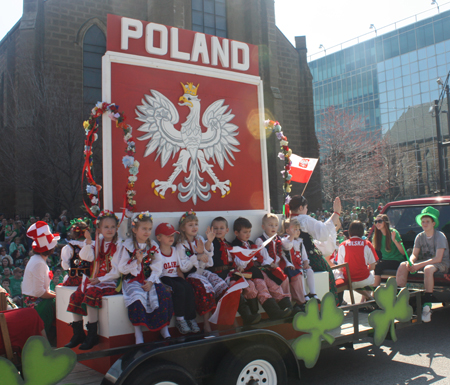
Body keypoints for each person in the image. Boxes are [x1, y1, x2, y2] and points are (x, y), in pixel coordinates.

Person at [65, 210, 123, 350]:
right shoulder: (98, 242)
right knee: (75, 296)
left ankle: (92, 335)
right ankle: (78, 333)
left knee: (91, 294)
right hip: (95, 279)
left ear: (116, 228)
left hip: (109, 281)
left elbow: (117, 271)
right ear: (99, 229)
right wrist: (89, 241)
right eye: (106, 227)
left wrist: (100, 279)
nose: (110, 230)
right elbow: (87, 257)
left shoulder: (119, 245)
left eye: (112, 227)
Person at [118, 212, 173, 343]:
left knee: (163, 294)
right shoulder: (128, 246)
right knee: (136, 297)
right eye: (144, 229)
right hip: (133, 278)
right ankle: (138, 334)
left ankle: (164, 328)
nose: (147, 232)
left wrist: (151, 281)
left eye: (149, 229)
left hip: (150, 278)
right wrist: (136, 262)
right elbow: (122, 267)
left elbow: (158, 265)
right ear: (135, 230)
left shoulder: (152, 245)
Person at [175, 211, 227, 333]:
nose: (194, 227)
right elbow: (183, 267)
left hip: (202, 272)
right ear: (183, 228)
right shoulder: (181, 245)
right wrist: (197, 257)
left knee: (222, 285)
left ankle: (223, 321)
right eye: (190, 225)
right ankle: (206, 324)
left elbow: (209, 262)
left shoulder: (199, 240)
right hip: (191, 275)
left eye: (196, 224)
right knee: (206, 289)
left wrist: (208, 242)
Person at [396, 207, 450, 322]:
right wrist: (411, 262)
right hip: (426, 262)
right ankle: (400, 299)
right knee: (402, 265)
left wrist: (418, 266)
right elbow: (415, 254)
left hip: (441, 264)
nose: (424, 224)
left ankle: (427, 305)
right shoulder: (419, 236)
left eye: (427, 222)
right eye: (423, 221)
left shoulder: (440, 236)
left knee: (428, 269)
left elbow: (438, 258)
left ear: (433, 223)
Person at [231, 217, 291, 320]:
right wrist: (250, 256)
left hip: (257, 271)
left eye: (249, 231)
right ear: (236, 233)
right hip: (248, 273)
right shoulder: (235, 245)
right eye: (245, 232)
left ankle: (287, 308)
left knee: (273, 285)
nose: (248, 234)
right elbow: (239, 262)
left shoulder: (250, 243)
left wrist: (267, 263)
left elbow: (260, 257)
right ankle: (273, 312)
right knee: (262, 289)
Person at [289, 195, 341, 304]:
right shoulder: (304, 219)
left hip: (292, 258)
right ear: (300, 208)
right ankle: (329, 307)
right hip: (309, 258)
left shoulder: (287, 220)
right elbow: (323, 233)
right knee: (327, 276)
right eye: (306, 207)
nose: (307, 210)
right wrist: (336, 213)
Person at [210, 217, 260, 325]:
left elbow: (235, 259)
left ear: (227, 230)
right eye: (215, 228)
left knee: (249, 285)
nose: (218, 230)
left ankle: (254, 314)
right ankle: (246, 316)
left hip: (232, 272)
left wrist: (239, 266)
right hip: (219, 274)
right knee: (236, 288)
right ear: (211, 230)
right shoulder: (211, 244)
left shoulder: (229, 245)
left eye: (221, 228)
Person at [156, 222, 200, 334]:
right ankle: (180, 320)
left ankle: (190, 318)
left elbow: (178, 269)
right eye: (167, 235)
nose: (171, 238)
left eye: (172, 235)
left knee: (188, 288)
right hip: (165, 278)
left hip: (175, 277)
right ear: (159, 238)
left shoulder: (175, 250)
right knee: (179, 290)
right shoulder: (157, 253)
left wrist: (183, 281)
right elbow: (157, 272)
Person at [22, 221, 58, 335]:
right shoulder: (39, 263)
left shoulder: (37, 260)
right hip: (38, 305)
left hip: (34, 301)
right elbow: (39, 292)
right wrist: (57, 295)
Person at [255, 213, 294, 314]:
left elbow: (281, 253)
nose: (274, 227)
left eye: (276, 225)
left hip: (276, 265)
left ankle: (288, 304)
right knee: (282, 278)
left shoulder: (277, 239)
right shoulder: (260, 240)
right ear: (263, 227)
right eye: (270, 225)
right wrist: (272, 264)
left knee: (287, 277)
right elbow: (264, 256)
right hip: (266, 267)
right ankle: (283, 305)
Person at [337, 221, 378, 302]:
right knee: (372, 273)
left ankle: (368, 297)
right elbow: (373, 266)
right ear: (362, 232)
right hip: (364, 279)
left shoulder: (342, 245)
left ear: (349, 232)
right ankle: (369, 297)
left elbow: (340, 268)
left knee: (340, 274)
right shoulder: (367, 244)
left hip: (349, 280)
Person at [282, 218, 317, 302]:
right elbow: (287, 246)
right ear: (287, 230)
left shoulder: (300, 242)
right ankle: (304, 294)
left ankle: (313, 292)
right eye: (295, 229)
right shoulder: (285, 240)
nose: (297, 231)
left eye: (298, 229)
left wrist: (305, 262)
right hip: (291, 266)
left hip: (300, 264)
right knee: (300, 274)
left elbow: (304, 255)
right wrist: (292, 236)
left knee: (309, 271)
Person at [372, 214, 405, 287]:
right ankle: (367, 294)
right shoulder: (377, 235)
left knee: (378, 266)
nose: (377, 223)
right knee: (372, 266)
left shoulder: (393, 232)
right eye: (375, 221)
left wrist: (394, 240)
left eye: (380, 221)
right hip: (385, 261)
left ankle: (374, 290)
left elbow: (403, 252)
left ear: (385, 222)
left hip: (396, 261)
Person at [60, 218, 92, 286]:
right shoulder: (93, 245)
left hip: (74, 280)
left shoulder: (69, 247)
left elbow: (65, 266)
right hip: (91, 280)